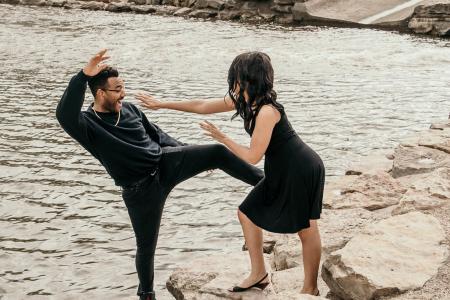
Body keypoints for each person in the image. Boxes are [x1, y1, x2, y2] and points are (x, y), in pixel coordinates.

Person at [55, 49, 264, 300]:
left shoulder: (130, 110)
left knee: (216, 153)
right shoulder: (87, 124)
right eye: (118, 89)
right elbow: (64, 114)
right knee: (146, 247)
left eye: (124, 87)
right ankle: (146, 295)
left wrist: (192, 156)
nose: (123, 93)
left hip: (165, 165)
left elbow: (160, 137)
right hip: (139, 189)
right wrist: (82, 76)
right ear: (100, 93)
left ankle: (269, 183)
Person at [136, 51, 325, 296]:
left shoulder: (267, 111)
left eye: (235, 75)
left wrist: (222, 138)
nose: (232, 80)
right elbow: (202, 106)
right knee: (247, 213)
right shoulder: (245, 101)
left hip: (300, 168)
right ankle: (259, 273)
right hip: (283, 168)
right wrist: (161, 103)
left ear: (247, 78)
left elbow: (252, 156)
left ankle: (310, 288)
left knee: (306, 228)